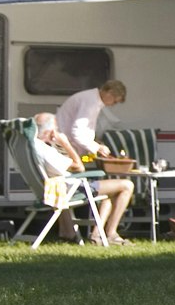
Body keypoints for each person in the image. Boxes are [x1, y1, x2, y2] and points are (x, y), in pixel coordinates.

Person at [30, 112, 135, 246]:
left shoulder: (34, 147)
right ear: (50, 131)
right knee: (127, 185)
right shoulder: (46, 150)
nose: (57, 132)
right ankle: (111, 234)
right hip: (72, 188)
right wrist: (66, 143)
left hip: (60, 186)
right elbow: (79, 167)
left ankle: (97, 235)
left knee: (109, 194)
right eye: (56, 129)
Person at [55, 79, 127, 158]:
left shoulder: (92, 98)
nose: (113, 105)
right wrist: (98, 147)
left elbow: (84, 129)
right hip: (64, 147)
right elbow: (77, 132)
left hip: (66, 144)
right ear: (109, 93)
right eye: (115, 101)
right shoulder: (91, 103)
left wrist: (95, 142)